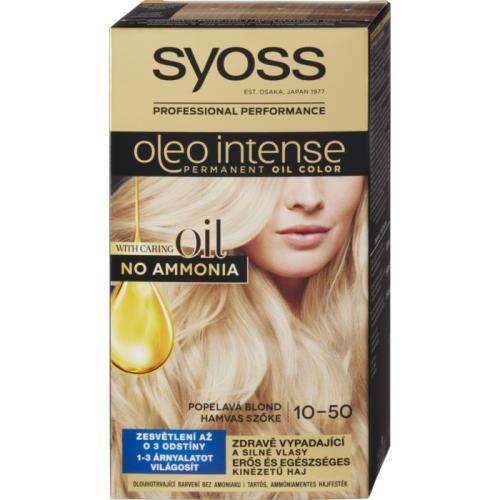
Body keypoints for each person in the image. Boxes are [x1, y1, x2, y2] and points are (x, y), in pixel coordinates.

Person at [111, 176, 369, 498]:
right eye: (271, 167)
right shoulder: (146, 353)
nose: (307, 197)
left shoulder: (372, 333)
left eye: (332, 163)